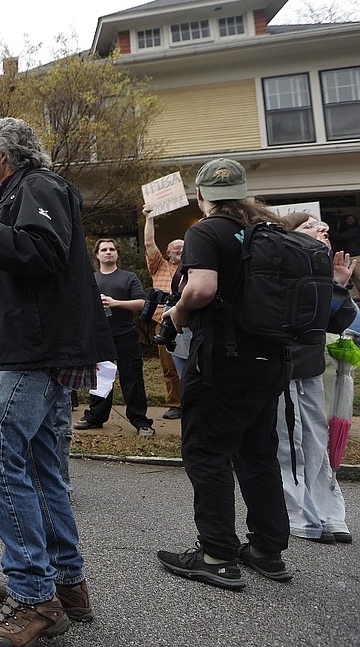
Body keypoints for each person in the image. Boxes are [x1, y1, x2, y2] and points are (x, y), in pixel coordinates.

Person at [0, 117, 105, 645]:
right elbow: (31, 280)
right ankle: (65, 582)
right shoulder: (24, 194)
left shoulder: (37, 186)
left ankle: (34, 594)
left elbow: (44, 253)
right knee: (40, 467)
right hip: (37, 347)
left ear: (4, 157)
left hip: (31, 355)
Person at [157, 159, 297, 588]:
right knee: (257, 453)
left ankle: (216, 554)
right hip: (271, 358)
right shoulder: (270, 231)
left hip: (224, 358)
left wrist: (178, 311)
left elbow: (202, 288)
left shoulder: (206, 231)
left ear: (202, 196)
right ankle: (267, 550)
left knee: (206, 451)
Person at [276, 213, 356, 545]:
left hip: (310, 366)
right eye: (308, 226)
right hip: (282, 366)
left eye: (321, 224)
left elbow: (335, 321)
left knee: (316, 441)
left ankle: (328, 513)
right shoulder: (278, 269)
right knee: (288, 443)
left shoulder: (320, 272)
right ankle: (300, 515)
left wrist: (338, 283)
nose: (321, 228)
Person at [75, 239, 152, 435]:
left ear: (117, 253)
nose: (108, 252)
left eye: (111, 249)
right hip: (100, 337)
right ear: (97, 255)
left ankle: (140, 420)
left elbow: (142, 303)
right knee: (101, 379)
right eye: (104, 249)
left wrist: (115, 303)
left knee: (132, 378)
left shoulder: (128, 278)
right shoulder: (91, 279)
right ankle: (95, 416)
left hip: (126, 336)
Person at [143, 204, 185, 419]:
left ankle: (194, 403)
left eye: (183, 247)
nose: (180, 250)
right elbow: (149, 243)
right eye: (176, 248)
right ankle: (175, 404)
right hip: (164, 322)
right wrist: (149, 218)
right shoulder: (159, 266)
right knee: (169, 368)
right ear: (168, 252)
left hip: (189, 322)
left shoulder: (194, 268)